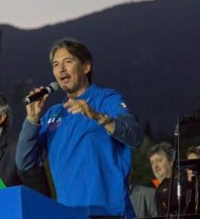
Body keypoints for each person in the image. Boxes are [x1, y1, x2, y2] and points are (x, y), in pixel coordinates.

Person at [16, 38, 143, 219]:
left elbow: (136, 137)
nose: (61, 69)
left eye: (68, 61)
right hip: (68, 214)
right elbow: (25, 162)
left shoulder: (106, 99)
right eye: (56, 64)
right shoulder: (54, 113)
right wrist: (32, 120)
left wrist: (97, 116)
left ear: (86, 67)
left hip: (108, 213)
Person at [148, 142, 191, 216]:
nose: (155, 166)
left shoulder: (186, 179)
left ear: (171, 161)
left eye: (159, 160)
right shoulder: (154, 189)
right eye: (152, 163)